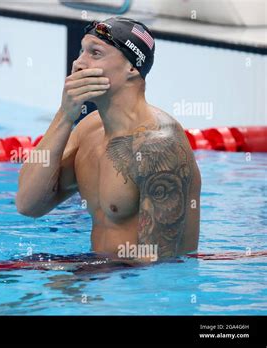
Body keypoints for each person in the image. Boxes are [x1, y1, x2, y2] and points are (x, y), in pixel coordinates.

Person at [16, 17, 201, 263]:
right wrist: (65, 115)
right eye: (81, 51)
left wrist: (82, 279)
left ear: (132, 68)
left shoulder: (159, 145)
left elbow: (159, 264)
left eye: (95, 53)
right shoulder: (88, 130)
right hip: (100, 275)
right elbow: (28, 205)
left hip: (135, 290)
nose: (79, 63)